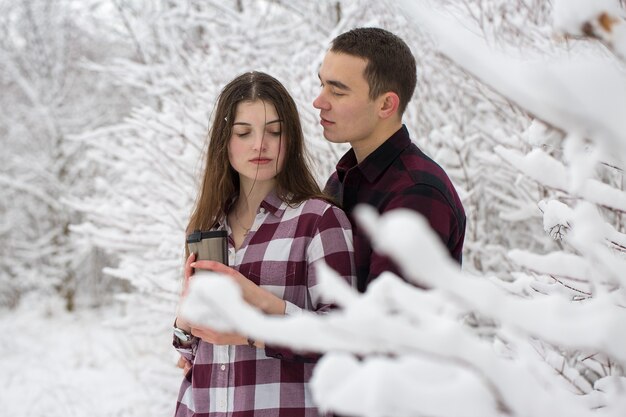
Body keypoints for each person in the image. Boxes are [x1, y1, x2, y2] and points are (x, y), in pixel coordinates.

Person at [173, 71, 355, 417]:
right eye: (244, 133)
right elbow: (189, 355)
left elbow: (343, 336)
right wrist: (184, 319)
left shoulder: (318, 220)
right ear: (224, 142)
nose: (260, 144)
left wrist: (253, 326)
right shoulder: (208, 225)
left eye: (274, 131)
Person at [313, 27, 466, 293]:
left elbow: (387, 326)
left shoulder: (416, 193)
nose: (319, 101)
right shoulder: (342, 178)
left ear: (386, 105)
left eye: (337, 92)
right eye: (321, 84)